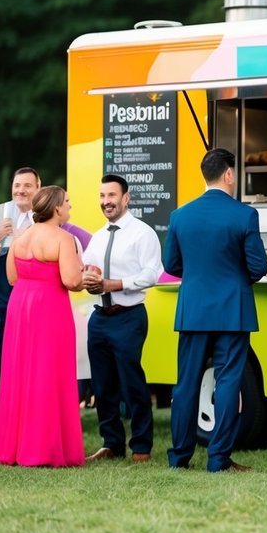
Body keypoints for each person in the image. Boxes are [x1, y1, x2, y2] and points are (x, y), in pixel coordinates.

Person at [164, 148, 267, 473]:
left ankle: (179, 458)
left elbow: (171, 264)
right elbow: (259, 266)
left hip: (193, 310)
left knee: (186, 384)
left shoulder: (180, 215)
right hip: (232, 311)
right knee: (227, 383)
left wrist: (198, 277)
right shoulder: (244, 215)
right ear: (228, 174)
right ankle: (218, 459)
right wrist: (235, 279)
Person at [0, 185, 85, 466]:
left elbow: (10, 277)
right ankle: (43, 448)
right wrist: (85, 272)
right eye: (67, 202)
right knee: (49, 373)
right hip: (49, 308)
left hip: (20, 307)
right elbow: (71, 281)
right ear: (56, 208)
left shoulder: (21, 238)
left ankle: (15, 448)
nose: (69, 207)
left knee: (19, 372)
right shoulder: (63, 238)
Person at [82, 174, 163, 463]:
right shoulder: (98, 236)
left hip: (128, 317)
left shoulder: (143, 233)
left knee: (132, 383)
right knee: (102, 385)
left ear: (126, 198)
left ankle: (141, 446)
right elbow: (86, 268)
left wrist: (113, 284)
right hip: (100, 318)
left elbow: (151, 274)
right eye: (102, 196)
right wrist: (87, 279)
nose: (106, 202)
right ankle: (111, 443)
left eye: (112, 196)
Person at [0, 167, 40, 405]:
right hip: (1, 306)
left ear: (38, 187)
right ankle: (5, 417)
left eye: (27, 185)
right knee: (2, 363)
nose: (21, 191)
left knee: (33, 366)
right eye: (17, 185)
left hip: (34, 304)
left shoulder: (46, 214)